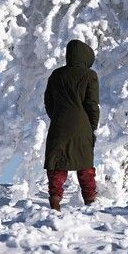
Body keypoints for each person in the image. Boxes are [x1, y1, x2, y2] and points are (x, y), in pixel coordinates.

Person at [43, 39, 99, 211]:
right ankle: (89, 201)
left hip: (59, 125)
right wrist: (92, 126)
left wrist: (57, 116)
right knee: (85, 165)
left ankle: (55, 199)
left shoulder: (56, 75)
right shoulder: (89, 75)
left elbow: (48, 101)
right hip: (82, 126)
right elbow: (92, 104)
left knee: (57, 164)